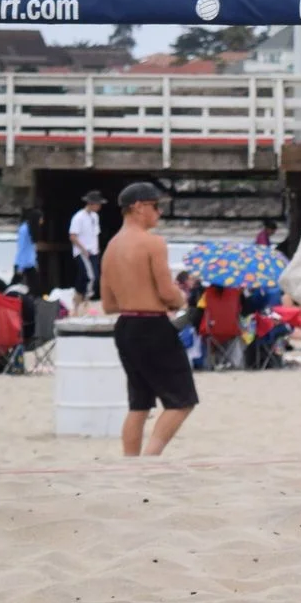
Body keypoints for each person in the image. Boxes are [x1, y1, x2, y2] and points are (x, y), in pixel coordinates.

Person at [100, 181, 197, 456]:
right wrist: (181, 299)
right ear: (138, 207)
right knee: (181, 401)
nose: (159, 213)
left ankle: (130, 461)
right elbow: (167, 291)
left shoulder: (110, 248)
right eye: (156, 207)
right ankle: (150, 458)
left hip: (125, 327)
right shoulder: (152, 243)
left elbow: (108, 304)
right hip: (152, 326)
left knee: (139, 404)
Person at [69, 189, 105, 303]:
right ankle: (86, 300)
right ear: (91, 204)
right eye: (98, 204)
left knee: (84, 277)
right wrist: (83, 249)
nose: (99, 206)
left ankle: (78, 300)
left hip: (93, 251)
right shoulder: (78, 217)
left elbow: (95, 234)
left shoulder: (95, 216)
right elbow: (73, 236)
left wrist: (97, 248)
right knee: (91, 277)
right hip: (83, 252)